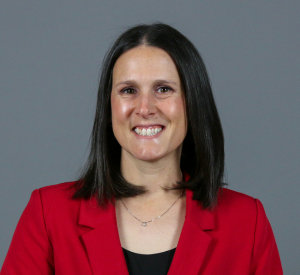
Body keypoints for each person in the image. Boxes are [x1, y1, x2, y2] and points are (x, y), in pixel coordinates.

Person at [1, 23, 283, 275]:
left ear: (192, 102)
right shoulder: (48, 215)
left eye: (163, 89)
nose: (145, 108)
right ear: (109, 105)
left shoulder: (248, 222)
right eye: (128, 90)